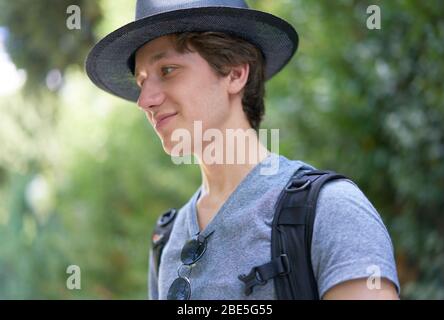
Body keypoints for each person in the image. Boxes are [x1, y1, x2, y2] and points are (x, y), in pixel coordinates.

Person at [86, 0, 400, 300]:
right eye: (142, 82)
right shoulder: (166, 241)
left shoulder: (332, 211)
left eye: (167, 70)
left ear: (236, 73)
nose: (145, 100)